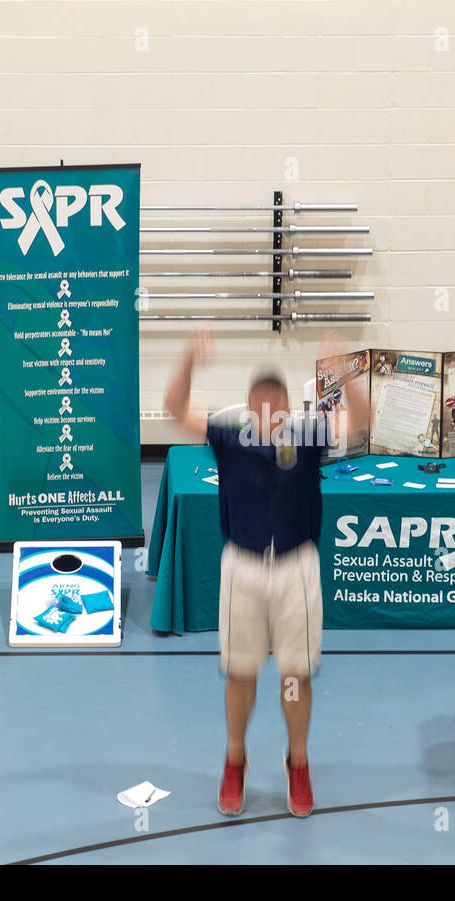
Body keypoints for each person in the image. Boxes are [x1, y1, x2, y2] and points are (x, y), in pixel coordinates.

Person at [164, 328, 362, 818]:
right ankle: (235, 759)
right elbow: (173, 409)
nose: (268, 411)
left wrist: (342, 370)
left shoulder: (308, 435)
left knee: (295, 674)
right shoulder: (229, 436)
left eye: (277, 403)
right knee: (241, 671)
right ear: (249, 405)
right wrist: (189, 356)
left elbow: (361, 423)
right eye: (260, 403)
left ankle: (297, 762)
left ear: (290, 404)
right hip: (244, 569)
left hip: (297, 568)